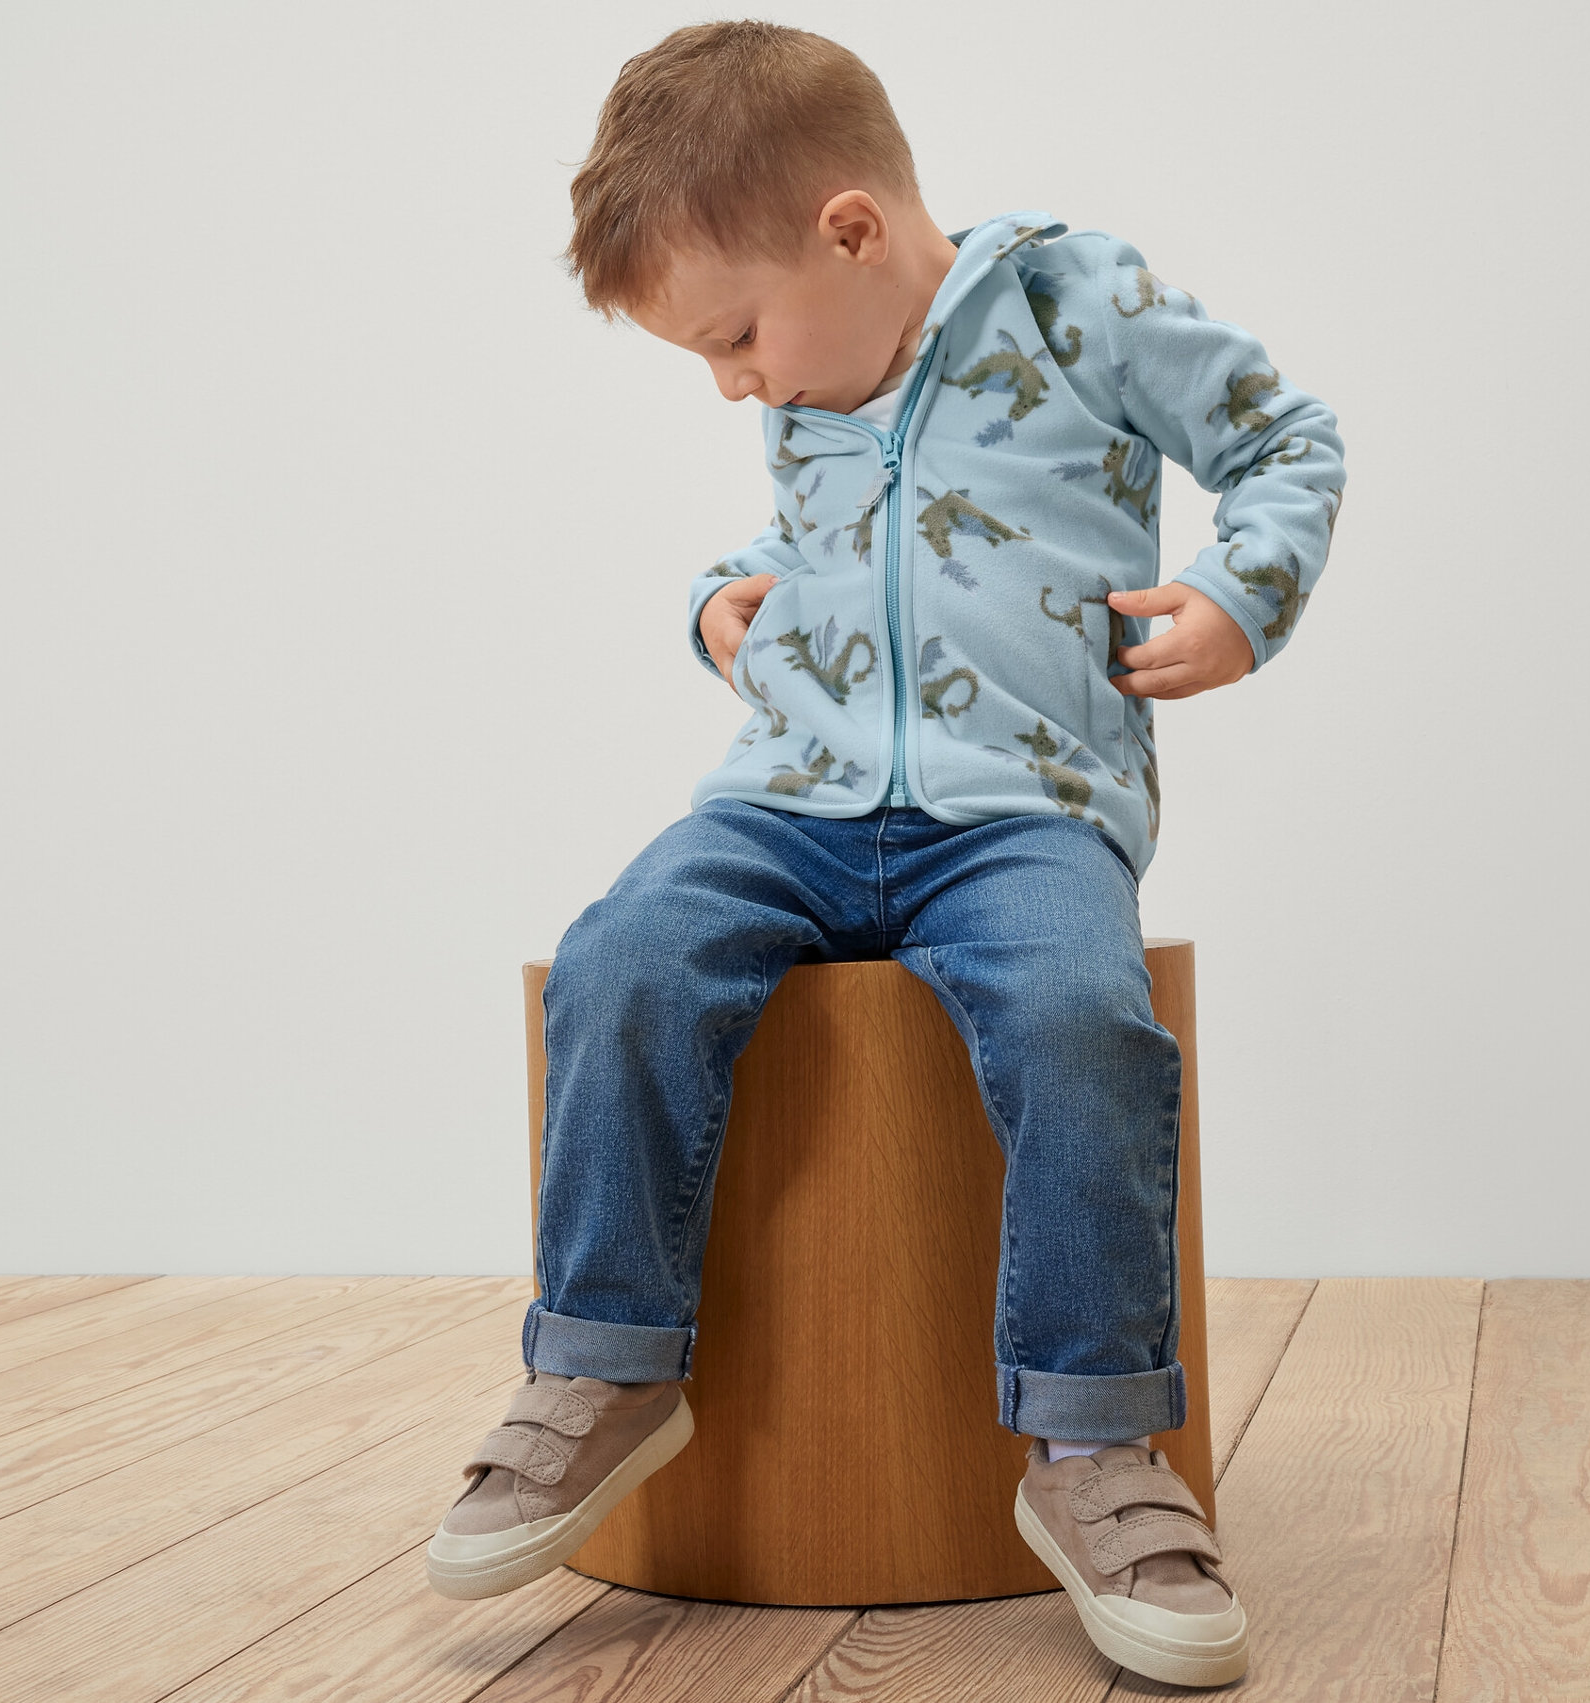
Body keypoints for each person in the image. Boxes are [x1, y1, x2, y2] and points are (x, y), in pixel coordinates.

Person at [424, 20, 1344, 1688]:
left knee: (1086, 1022)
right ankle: (606, 1361)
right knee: (623, 954)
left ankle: (1093, 1447)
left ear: (850, 231)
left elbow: (1288, 440)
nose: (734, 384)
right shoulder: (815, 373)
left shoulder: (1079, 299)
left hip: (1023, 815)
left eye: (735, 338)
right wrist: (716, 596)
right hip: (789, 794)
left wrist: (1238, 601)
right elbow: (825, 539)